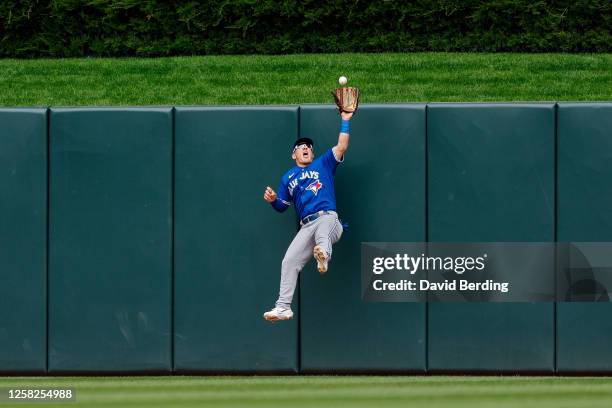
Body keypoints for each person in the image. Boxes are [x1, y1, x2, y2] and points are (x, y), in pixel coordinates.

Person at [262, 111, 354, 321]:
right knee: (289, 260)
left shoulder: (323, 163)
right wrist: (273, 200)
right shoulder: (288, 177)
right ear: (294, 155)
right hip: (306, 226)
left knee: (322, 237)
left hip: (328, 219)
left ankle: (323, 256)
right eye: (300, 147)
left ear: (312, 154)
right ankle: (283, 307)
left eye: (308, 147)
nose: (305, 148)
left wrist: (345, 120)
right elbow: (282, 207)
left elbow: (342, 146)